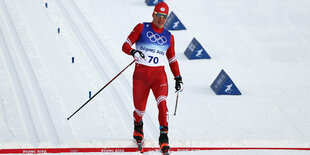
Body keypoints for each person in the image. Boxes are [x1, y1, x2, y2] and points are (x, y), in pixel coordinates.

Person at [122, 2, 183, 153]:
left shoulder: (169, 37)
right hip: (141, 77)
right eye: (159, 15)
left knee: (162, 104)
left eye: (164, 16)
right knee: (139, 110)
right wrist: (133, 52)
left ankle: (164, 137)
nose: (161, 19)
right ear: (153, 14)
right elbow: (125, 45)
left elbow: (172, 59)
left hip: (159, 76)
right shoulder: (141, 28)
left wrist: (178, 77)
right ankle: (138, 124)